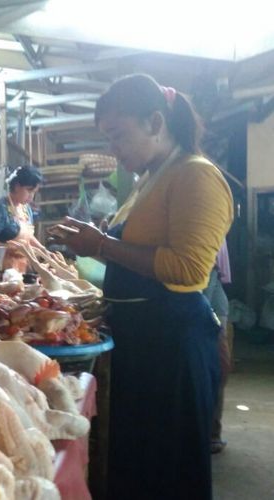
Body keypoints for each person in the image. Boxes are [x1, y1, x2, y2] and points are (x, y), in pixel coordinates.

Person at [48, 74, 233, 500]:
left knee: (166, 468)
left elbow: (187, 268)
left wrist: (99, 244)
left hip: (172, 346)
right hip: (142, 340)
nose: (113, 148)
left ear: (154, 122)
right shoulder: (148, 179)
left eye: (118, 135)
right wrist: (96, 239)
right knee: (138, 462)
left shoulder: (195, 176)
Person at [0, 165, 45, 272]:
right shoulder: (0, 209)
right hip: (0, 267)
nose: (31, 196)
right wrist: (6, 247)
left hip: (21, 267)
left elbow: (29, 237)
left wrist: (43, 250)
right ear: (16, 186)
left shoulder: (26, 209)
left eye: (34, 192)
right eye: (29, 190)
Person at [203, 240, 232, 454]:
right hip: (204, 273)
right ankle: (209, 432)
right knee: (215, 365)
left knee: (219, 365)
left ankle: (212, 431)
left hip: (212, 276)